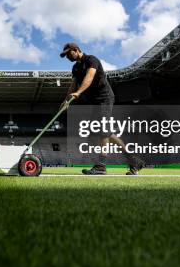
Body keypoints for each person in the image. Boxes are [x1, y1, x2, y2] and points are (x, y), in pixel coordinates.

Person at [60, 42, 143, 175]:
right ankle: (134, 160)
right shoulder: (75, 68)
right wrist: (66, 101)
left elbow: (89, 77)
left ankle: (101, 166)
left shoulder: (92, 60)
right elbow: (73, 85)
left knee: (103, 131)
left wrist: (79, 92)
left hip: (105, 98)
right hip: (95, 101)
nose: (67, 57)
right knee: (106, 132)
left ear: (76, 50)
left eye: (68, 54)